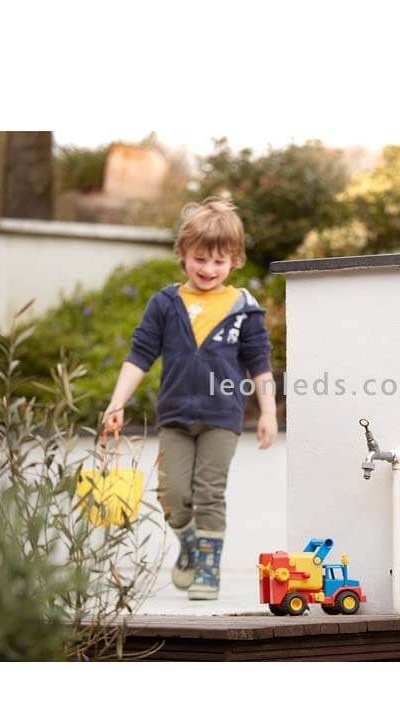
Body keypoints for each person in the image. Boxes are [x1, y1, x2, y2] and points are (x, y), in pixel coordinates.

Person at [102, 197, 277, 600]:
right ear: (182, 254)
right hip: (175, 417)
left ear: (234, 261)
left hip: (222, 417)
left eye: (219, 261)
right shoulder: (165, 304)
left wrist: (268, 412)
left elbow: (259, 364)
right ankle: (191, 546)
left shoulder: (243, 308)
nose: (208, 269)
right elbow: (140, 355)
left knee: (209, 493)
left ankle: (208, 571)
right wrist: (117, 402)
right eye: (200, 259)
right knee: (173, 496)